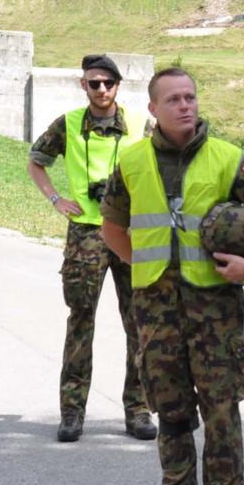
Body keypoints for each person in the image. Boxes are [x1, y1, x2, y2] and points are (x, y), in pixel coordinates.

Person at [98, 69, 244, 485]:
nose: (185, 105)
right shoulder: (132, 160)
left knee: (222, 415)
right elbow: (112, 227)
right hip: (156, 310)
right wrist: (146, 267)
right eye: (173, 99)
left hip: (215, 312)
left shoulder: (227, 157)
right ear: (153, 109)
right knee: (172, 416)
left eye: (190, 97)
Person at [26, 54, 154, 444]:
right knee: (81, 321)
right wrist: (55, 199)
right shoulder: (67, 124)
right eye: (93, 83)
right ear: (83, 85)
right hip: (86, 234)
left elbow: (166, 162)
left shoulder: (140, 124)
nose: (101, 89)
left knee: (140, 322)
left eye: (107, 82)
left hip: (131, 231)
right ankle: (72, 411)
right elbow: (36, 162)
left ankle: (139, 409)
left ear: (118, 85)